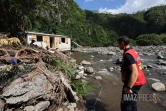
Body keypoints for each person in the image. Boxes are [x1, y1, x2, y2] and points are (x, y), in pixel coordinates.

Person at [117, 36, 146, 111]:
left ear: (122, 43)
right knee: (132, 102)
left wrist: (128, 88)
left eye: (118, 44)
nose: (118, 46)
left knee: (125, 105)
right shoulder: (133, 51)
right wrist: (123, 64)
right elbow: (138, 64)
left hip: (133, 83)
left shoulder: (128, 55)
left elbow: (134, 72)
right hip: (139, 80)